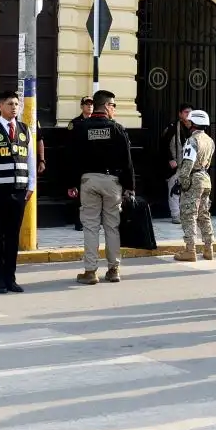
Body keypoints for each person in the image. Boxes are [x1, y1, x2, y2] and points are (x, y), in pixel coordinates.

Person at [66, 89, 135, 284]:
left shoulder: (81, 128)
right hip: (112, 182)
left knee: (90, 227)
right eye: (113, 105)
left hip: (88, 181)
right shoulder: (117, 129)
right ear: (105, 106)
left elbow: (71, 158)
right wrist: (129, 186)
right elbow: (127, 160)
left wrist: (71, 183)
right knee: (112, 226)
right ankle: (113, 270)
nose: (114, 109)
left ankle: (90, 272)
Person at [0, 90, 35, 294]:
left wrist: (31, 186)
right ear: (0, 106)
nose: (14, 107)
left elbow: (30, 159)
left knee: (12, 237)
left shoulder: (24, 129)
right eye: (10, 103)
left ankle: (10, 278)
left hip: (19, 191)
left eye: (16, 104)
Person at [174, 109, 216, 262]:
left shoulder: (192, 141)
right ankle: (208, 248)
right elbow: (208, 163)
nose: (188, 123)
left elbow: (187, 164)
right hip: (205, 178)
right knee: (204, 214)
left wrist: (183, 182)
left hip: (194, 179)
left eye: (190, 121)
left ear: (194, 123)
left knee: (189, 214)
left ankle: (190, 250)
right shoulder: (209, 141)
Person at [159, 103, 193, 219]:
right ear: (180, 114)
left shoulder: (195, 128)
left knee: (189, 190)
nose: (188, 114)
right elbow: (163, 146)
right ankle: (175, 215)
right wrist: (170, 159)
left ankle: (187, 214)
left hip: (191, 165)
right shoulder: (172, 128)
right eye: (186, 112)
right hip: (176, 165)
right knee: (175, 189)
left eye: (190, 112)